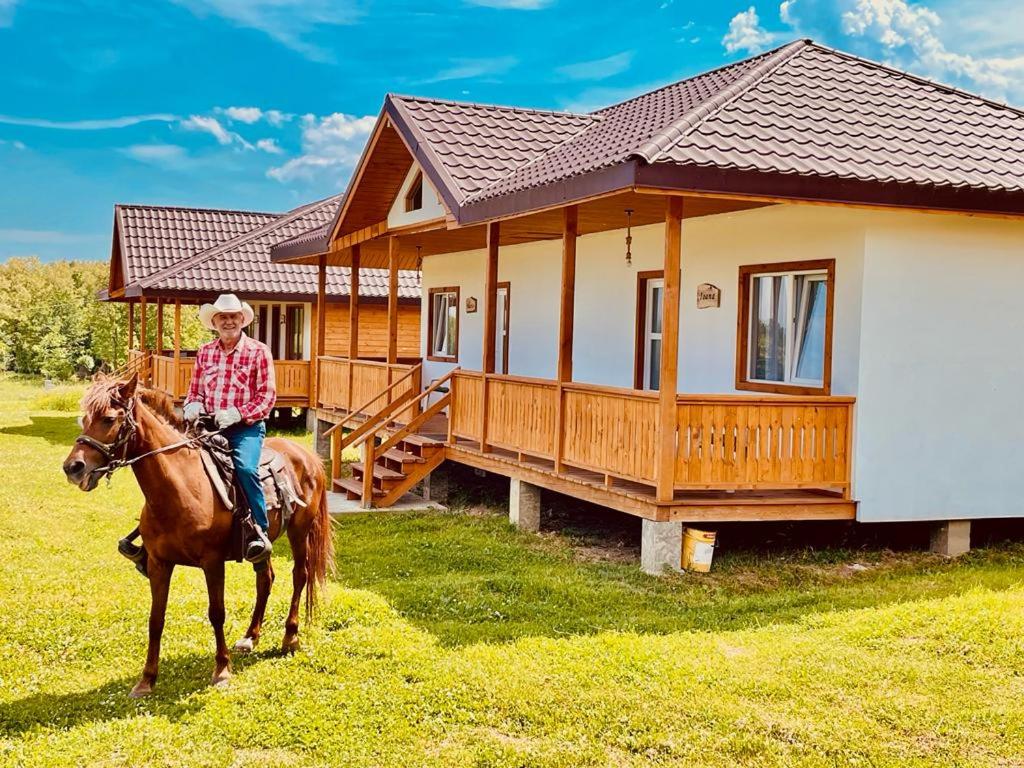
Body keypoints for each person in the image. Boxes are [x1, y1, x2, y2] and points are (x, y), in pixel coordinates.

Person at [183, 293, 276, 562]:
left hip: (245, 427)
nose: (228, 321)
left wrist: (238, 414)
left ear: (242, 319)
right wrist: (192, 405)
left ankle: (259, 529)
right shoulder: (205, 352)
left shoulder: (258, 351)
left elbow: (267, 397)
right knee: (175, 464)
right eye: (223, 317)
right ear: (214, 321)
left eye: (233, 316)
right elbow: (194, 391)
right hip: (209, 426)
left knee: (246, 469)